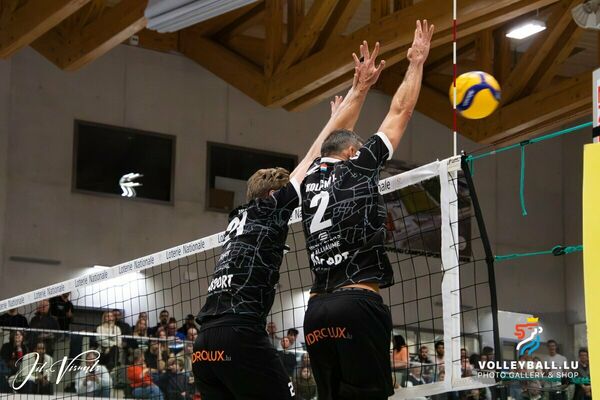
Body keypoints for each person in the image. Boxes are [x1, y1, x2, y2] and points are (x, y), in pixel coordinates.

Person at [192, 40, 382, 400]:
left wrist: (337, 119)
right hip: (239, 336)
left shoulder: (238, 219)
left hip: (203, 347)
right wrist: (359, 90)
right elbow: (317, 154)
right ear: (273, 194)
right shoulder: (272, 207)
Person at [300, 21, 434, 400]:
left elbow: (326, 142)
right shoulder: (359, 164)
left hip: (316, 312)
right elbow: (400, 111)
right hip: (356, 303)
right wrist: (416, 62)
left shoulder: (308, 177)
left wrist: (355, 93)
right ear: (352, 151)